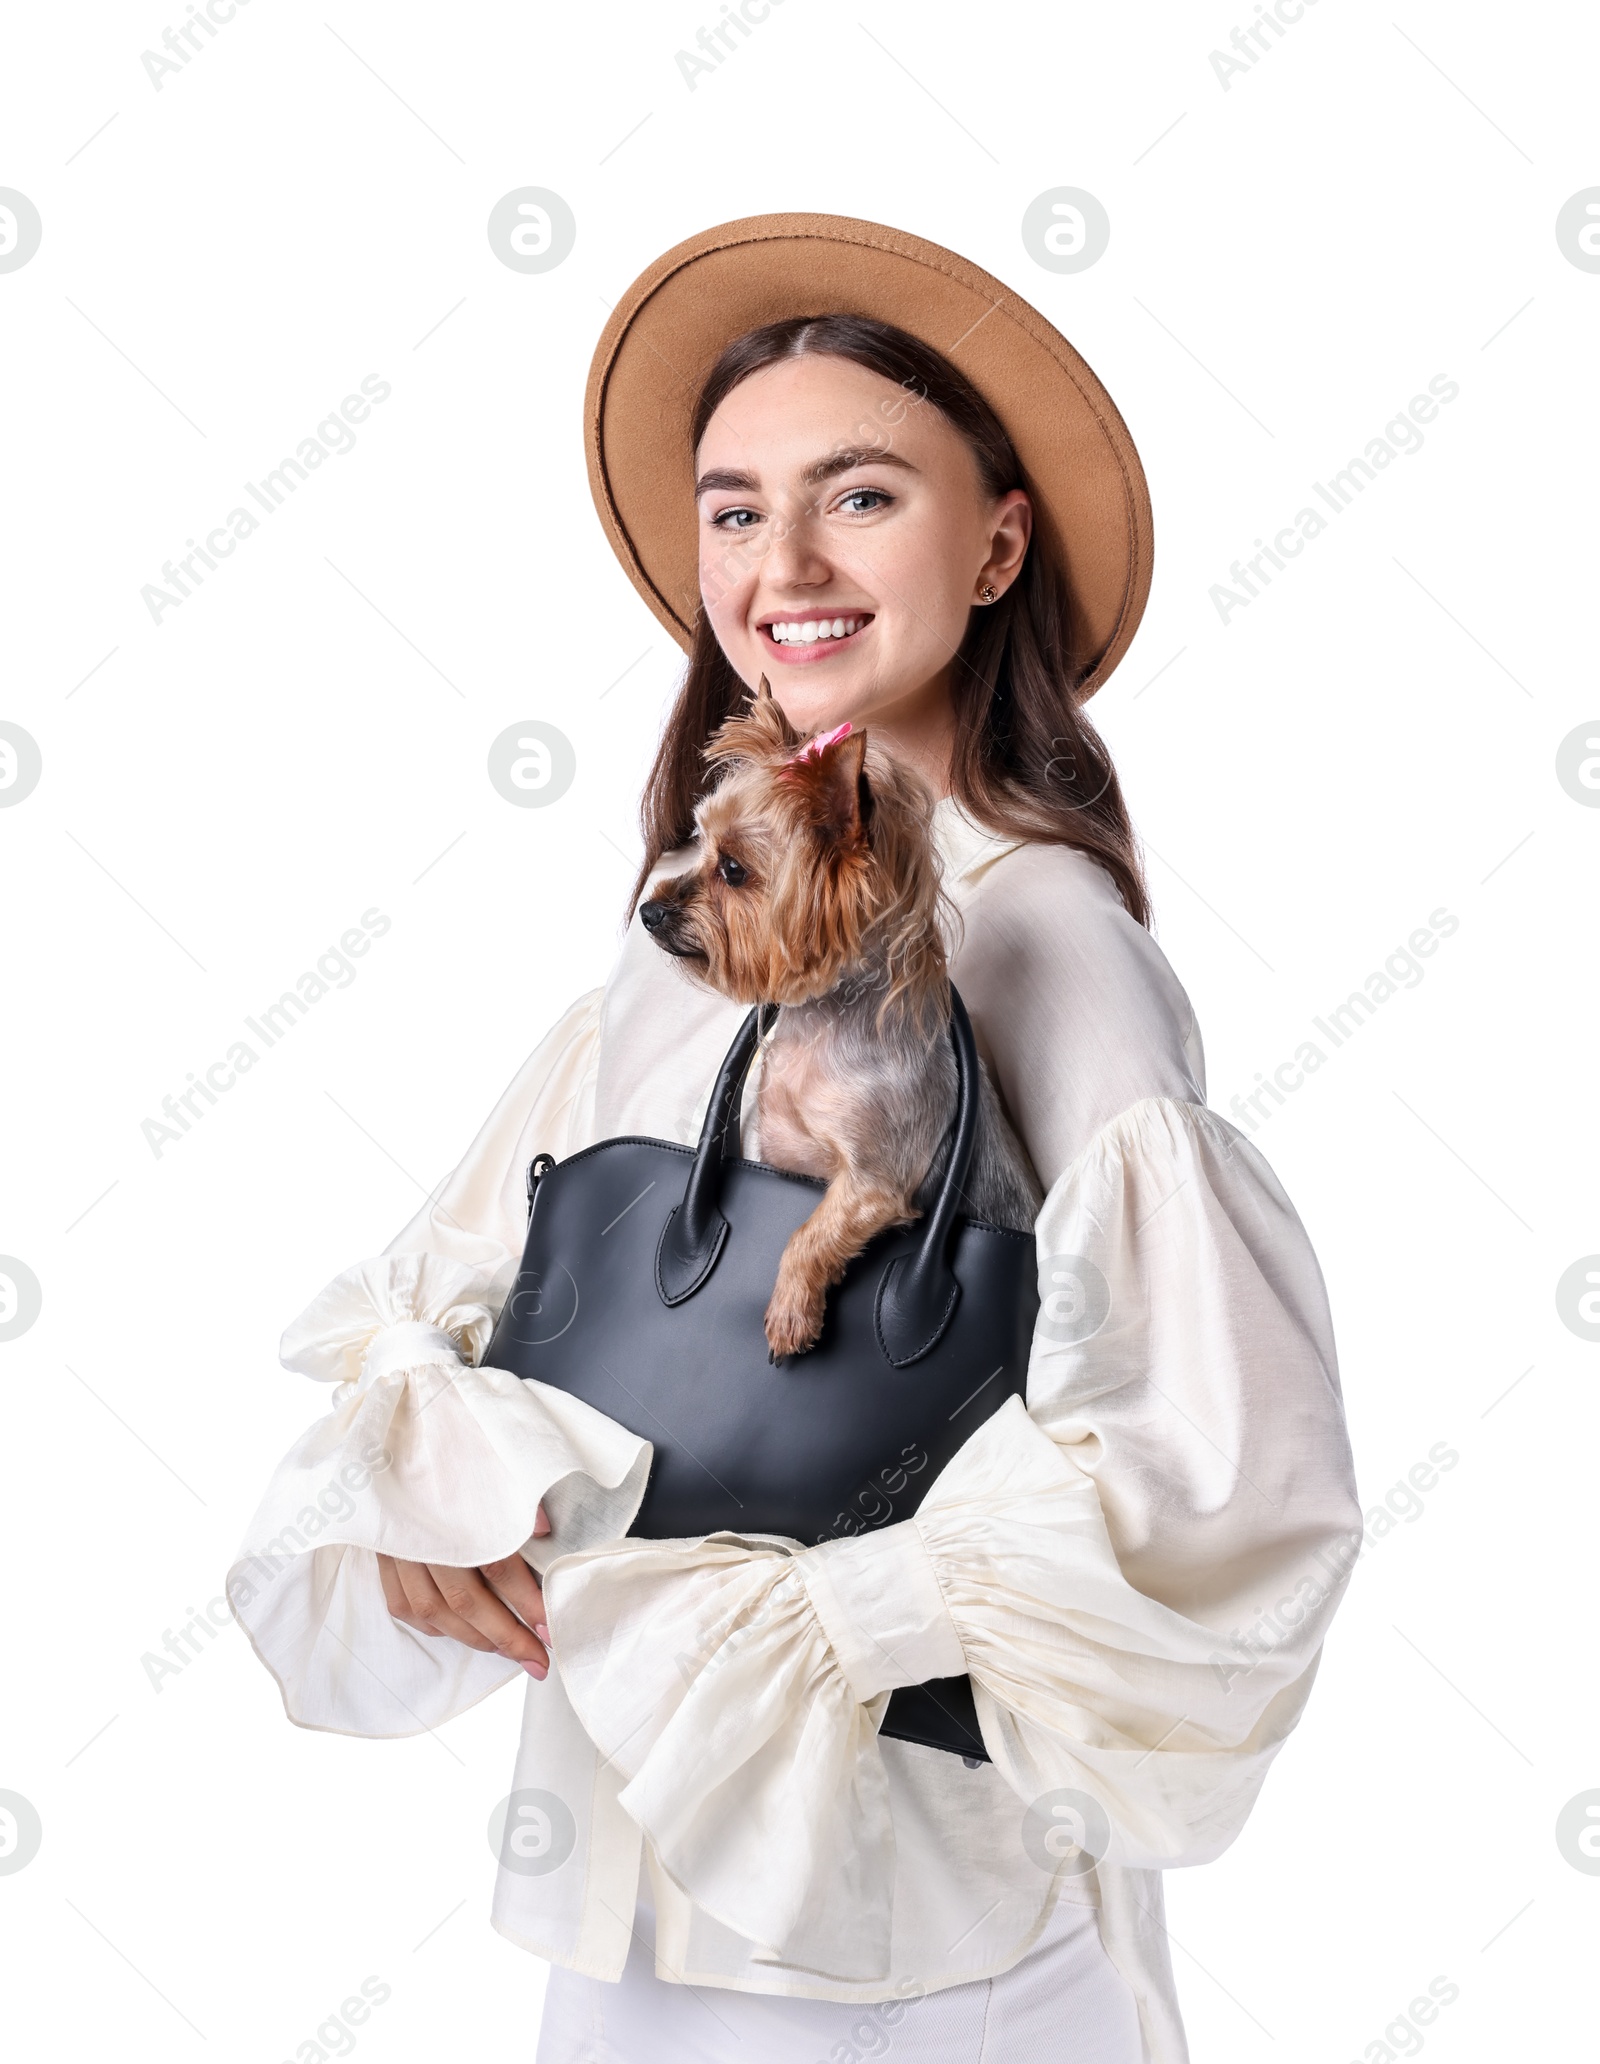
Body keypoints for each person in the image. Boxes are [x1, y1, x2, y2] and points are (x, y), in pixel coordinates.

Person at [230, 215, 1361, 2064]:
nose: (786, 564)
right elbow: (458, 1298)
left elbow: (1231, 1495)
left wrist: (844, 1612)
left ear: (999, 543)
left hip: (924, 1940)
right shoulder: (681, 933)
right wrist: (415, 1499)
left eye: (860, 496)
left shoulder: (1056, 948)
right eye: (738, 508)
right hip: (626, 1898)